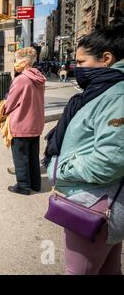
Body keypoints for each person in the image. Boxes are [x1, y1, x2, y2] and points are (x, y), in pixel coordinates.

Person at [44, 26, 124, 275]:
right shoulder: (103, 90)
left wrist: (61, 169)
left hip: (93, 204)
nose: (76, 67)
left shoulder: (116, 96)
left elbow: (111, 159)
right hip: (100, 202)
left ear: (106, 59)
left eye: (81, 61)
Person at [5, 47, 46, 195]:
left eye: (16, 60)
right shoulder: (39, 78)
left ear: (23, 62)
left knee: (20, 157)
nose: (15, 63)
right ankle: (35, 184)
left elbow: (10, 102)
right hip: (35, 124)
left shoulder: (21, 79)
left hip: (21, 123)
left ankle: (22, 186)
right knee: (33, 157)